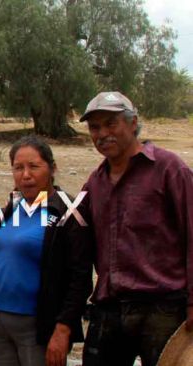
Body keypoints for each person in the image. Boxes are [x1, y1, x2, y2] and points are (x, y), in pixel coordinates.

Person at [79, 91, 193, 366]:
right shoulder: (95, 183)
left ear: (133, 123)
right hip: (110, 308)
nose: (103, 133)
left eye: (111, 123)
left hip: (163, 309)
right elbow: (66, 226)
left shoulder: (169, 169)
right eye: (95, 127)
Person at [0, 135, 92, 366]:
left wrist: (63, 329)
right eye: (18, 168)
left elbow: (80, 278)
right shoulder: (13, 207)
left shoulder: (68, 212)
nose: (25, 175)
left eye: (34, 166)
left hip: (37, 328)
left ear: (52, 168)